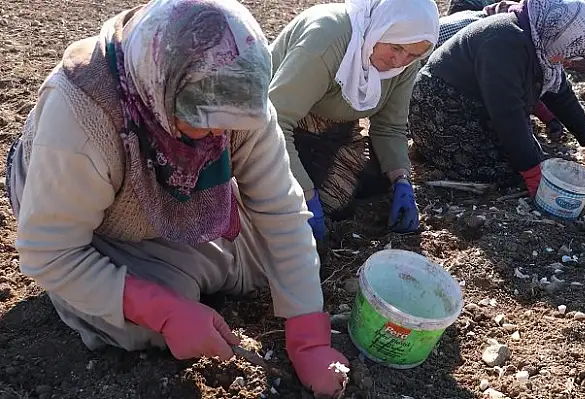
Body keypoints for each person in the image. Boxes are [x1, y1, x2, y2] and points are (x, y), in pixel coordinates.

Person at [6, 0, 348, 396]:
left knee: (262, 266)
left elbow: (281, 211)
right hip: (78, 211)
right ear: (161, 89)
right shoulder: (82, 119)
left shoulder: (237, 98)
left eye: (228, 125)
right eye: (202, 123)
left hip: (169, 197)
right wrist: (160, 309)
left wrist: (309, 335)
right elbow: (47, 252)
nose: (220, 139)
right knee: (151, 315)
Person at [409, 0, 585, 197]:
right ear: (559, 32)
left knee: (530, 155)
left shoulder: (540, 41)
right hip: (439, 108)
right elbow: (507, 113)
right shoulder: (504, 40)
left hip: (474, 106)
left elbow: (561, 95)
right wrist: (532, 173)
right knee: (508, 171)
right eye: (567, 53)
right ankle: (431, 148)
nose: (565, 61)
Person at [268, 0, 439, 241]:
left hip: (333, 128)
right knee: (294, 207)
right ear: (380, 28)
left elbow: (389, 127)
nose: (399, 62)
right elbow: (274, 120)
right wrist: (304, 195)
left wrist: (402, 181)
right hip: (275, 122)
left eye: (413, 55)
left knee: (368, 185)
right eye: (396, 48)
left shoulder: (405, 65)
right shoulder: (326, 42)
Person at [436, 0, 567, 141]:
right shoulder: (495, 39)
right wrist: (548, 117)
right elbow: (511, 86)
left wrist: (549, 117)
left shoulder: (490, 24)